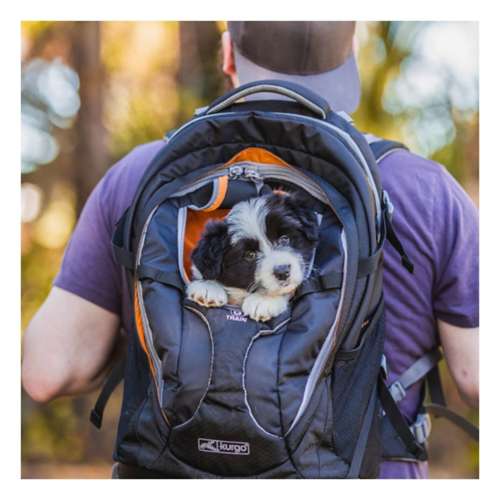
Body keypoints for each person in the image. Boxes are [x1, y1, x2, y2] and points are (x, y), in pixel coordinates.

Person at [21, 21, 479, 479]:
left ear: (227, 54)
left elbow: (48, 372)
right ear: (351, 55)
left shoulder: (139, 175)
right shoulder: (425, 190)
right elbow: (478, 377)